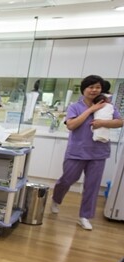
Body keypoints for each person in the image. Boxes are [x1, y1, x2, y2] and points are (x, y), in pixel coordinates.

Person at [51, 75, 123, 230]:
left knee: (92, 186)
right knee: (67, 179)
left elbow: (119, 121)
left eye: (97, 87)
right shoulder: (75, 107)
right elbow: (71, 125)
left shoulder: (108, 106)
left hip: (99, 152)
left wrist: (103, 122)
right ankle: (56, 199)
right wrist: (92, 109)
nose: (94, 90)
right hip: (77, 151)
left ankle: (84, 216)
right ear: (84, 89)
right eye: (91, 87)